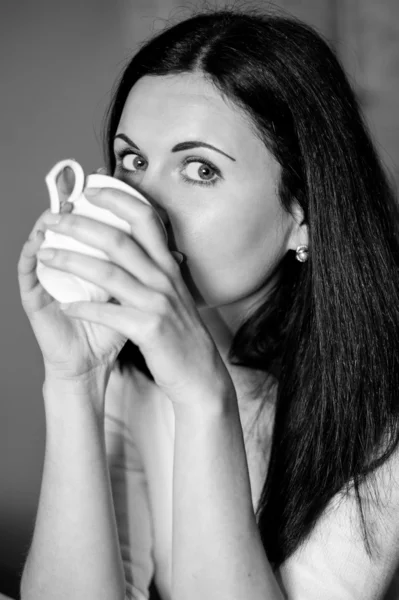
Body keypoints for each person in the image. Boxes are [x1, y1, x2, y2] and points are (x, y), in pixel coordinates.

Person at [17, 5, 399, 600]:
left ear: (304, 217)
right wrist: (76, 380)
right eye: (134, 161)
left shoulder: (380, 411)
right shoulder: (130, 366)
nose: (143, 208)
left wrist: (201, 394)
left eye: (199, 169)